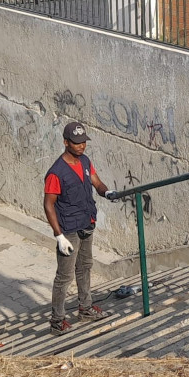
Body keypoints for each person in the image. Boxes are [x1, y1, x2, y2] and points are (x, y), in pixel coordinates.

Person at [45, 121, 117, 334]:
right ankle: (57, 321)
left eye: (84, 142)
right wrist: (59, 236)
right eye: (76, 143)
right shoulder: (56, 172)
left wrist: (107, 192)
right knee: (64, 276)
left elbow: (96, 182)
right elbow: (48, 205)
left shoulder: (85, 162)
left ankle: (85, 308)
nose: (81, 146)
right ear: (66, 142)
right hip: (68, 230)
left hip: (87, 223)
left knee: (85, 266)